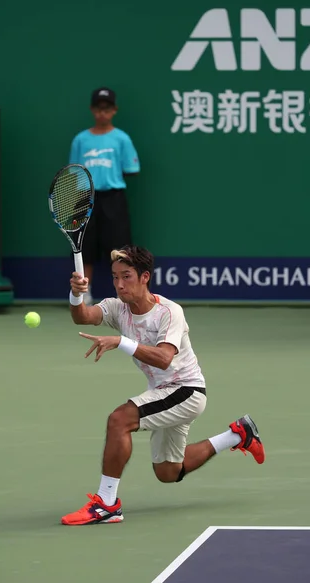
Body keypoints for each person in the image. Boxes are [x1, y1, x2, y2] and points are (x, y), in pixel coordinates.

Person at [61, 245, 266, 526]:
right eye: (115, 277)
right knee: (168, 472)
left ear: (145, 277)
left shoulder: (169, 312)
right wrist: (76, 294)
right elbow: (82, 317)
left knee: (119, 420)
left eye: (127, 276)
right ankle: (237, 435)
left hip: (186, 391)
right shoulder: (116, 308)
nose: (120, 284)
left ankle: (106, 504)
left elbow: (165, 359)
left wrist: (120, 342)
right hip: (163, 392)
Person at [69, 87, 140, 305]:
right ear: (92, 110)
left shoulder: (121, 139)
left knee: (119, 250)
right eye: (98, 109)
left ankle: (125, 293)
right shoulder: (81, 140)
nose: (102, 113)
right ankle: (84, 293)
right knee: (85, 246)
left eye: (107, 109)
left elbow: (131, 168)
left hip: (113, 198)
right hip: (86, 198)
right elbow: (74, 171)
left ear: (114, 110)